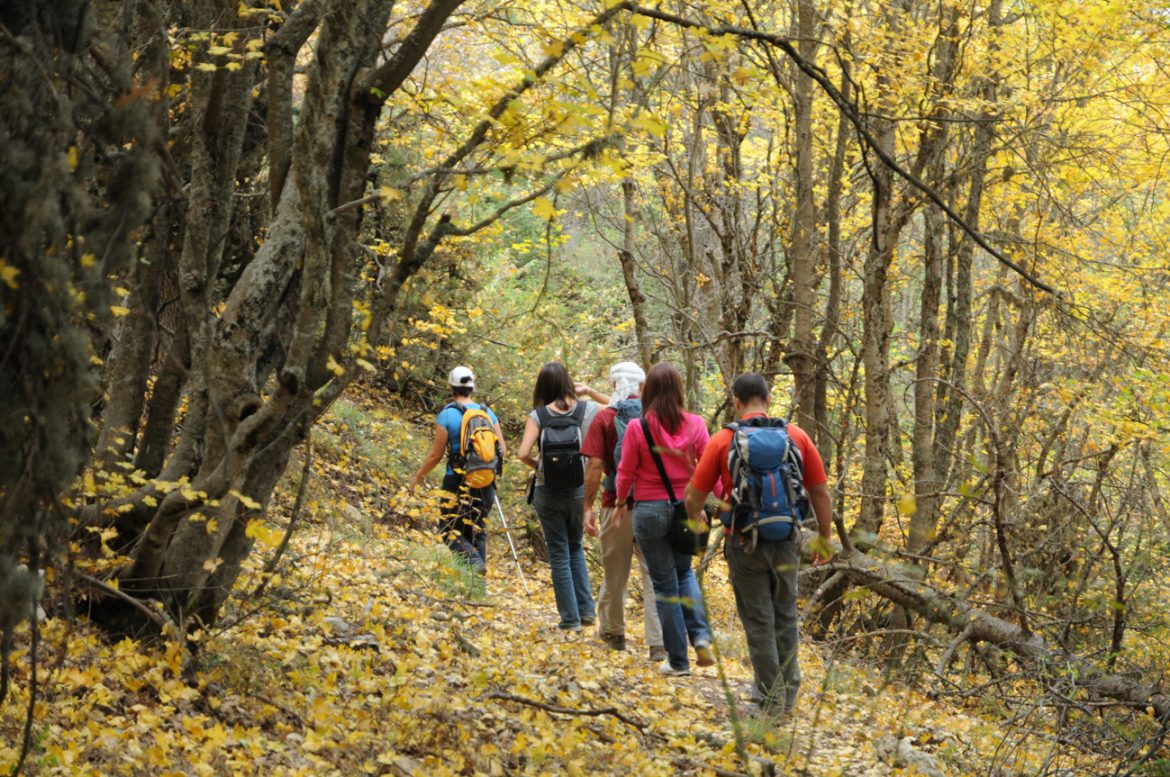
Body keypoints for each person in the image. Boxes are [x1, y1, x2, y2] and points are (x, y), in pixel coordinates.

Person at [685, 373, 833, 715]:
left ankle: (769, 701)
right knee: (785, 616)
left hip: (743, 543)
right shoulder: (796, 436)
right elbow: (820, 492)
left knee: (758, 621)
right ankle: (787, 695)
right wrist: (824, 538)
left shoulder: (723, 440)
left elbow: (694, 494)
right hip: (787, 541)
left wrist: (697, 519)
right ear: (767, 399)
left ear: (736, 402)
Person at [614, 362, 714, 676]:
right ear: (679, 390)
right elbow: (709, 467)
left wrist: (620, 502)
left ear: (649, 392)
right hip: (686, 509)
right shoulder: (696, 424)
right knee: (684, 574)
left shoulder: (637, 427)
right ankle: (701, 637)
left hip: (649, 511)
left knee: (665, 587)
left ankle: (679, 662)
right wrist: (711, 502)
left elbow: (625, 472)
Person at [581, 362, 666, 661]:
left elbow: (594, 466)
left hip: (613, 503)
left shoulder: (605, 418)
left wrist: (587, 506)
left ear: (615, 385)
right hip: (654, 505)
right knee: (654, 575)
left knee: (615, 572)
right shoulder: (657, 418)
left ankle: (613, 632)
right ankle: (658, 643)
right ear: (643, 387)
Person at [516, 362, 599, 631]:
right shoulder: (587, 410)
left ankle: (570, 620)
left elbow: (522, 453)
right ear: (567, 382)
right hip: (578, 490)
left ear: (542, 387)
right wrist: (590, 391)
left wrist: (540, 466)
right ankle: (586, 612)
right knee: (575, 547)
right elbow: (618, 405)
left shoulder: (538, 415)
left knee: (559, 553)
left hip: (547, 490)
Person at [408, 366, 505, 573]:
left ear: (451, 387)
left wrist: (417, 477)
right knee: (477, 532)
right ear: (472, 388)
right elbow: (502, 450)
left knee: (449, 529)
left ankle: (474, 563)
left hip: (456, 481)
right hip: (486, 481)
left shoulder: (447, 415)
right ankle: (477, 586)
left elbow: (435, 455)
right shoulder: (488, 413)